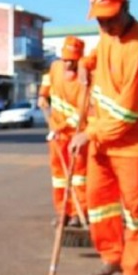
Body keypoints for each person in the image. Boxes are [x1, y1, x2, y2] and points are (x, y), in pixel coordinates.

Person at [71, 0, 138, 275]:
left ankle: (134, 271)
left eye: (112, 18)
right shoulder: (108, 33)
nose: (107, 25)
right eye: (101, 19)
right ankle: (111, 257)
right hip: (103, 140)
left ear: (126, 8)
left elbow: (126, 114)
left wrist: (90, 134)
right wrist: (87, 62)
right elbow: (102, 50)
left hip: (134, 144)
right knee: (100, 204)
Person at [43, 36, 91, 227]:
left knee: (78, 176)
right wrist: (42, 95)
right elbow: (47, 82)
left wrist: (59, 127)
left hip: (76, 134)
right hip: (56, 135)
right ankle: (63, 212)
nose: (68, 63)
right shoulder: (55, 67)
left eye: (73, 60)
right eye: (65, 59)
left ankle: (80, 213)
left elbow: (81, 113)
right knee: (59, 178)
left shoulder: (84, 79)